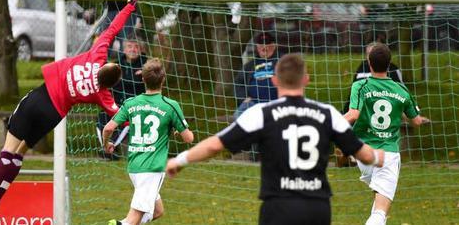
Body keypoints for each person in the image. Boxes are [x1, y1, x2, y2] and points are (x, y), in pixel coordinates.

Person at [0, 0, 138, 222]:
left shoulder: (97, 54)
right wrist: (134, 117)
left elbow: (112, 30)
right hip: (53, 114)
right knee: (20, 154)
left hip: (40, 98)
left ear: (104, 65)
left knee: (7, 151)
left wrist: (130, 4)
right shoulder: (103, 95)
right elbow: (118, 116)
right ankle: (2, 194)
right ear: (110, 85)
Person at [167, 53, 385, 225]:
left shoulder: (261, 114)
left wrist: (180, 160)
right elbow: (364, 154)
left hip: (279, 206)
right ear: (306, 79)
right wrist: (378, 156)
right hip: (317, 208)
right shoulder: (328, 114)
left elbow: (215, 145)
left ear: (274, 80)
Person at [344, 43, 430, 225]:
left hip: (363, 154)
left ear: (369, 62)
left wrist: (329, 123)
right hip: (387, 154)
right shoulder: (402, 90)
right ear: (390, 63)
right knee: (380, 213)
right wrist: (418, 118)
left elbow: (352, 115)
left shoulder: (360, 85)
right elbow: (415, 121)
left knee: (377, 204)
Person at [103, 58, 194, 225]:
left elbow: (108, 128)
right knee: (131, 221)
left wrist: (107, 144)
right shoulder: (170, 105)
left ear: (143, 79)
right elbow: (188, 138)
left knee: (158, 211)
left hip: (134, 167)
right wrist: (177, 129)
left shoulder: (131, 103)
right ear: (163, 80)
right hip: (151, 169)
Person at [96, 35, 148, 158]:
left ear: (141, 50)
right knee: (101, 118)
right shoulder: (116, 65)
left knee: (125, 121)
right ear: (124, 49)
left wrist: (146, 75)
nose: (133, 49)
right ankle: (106, 147)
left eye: (136, 47)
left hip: (135, 106)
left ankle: (111, 148)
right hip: (116, 104)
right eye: (129, 46)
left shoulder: (147, 66)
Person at [233, 32, 280, 120]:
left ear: (274, 45)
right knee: (238, 117)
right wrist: (243, 98)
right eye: (261, 45)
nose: (264, 48)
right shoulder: (250, 65)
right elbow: (238, 82)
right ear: (257, 47)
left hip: (276, 102)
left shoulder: (282, 61)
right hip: (253, 103)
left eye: (267, 44)